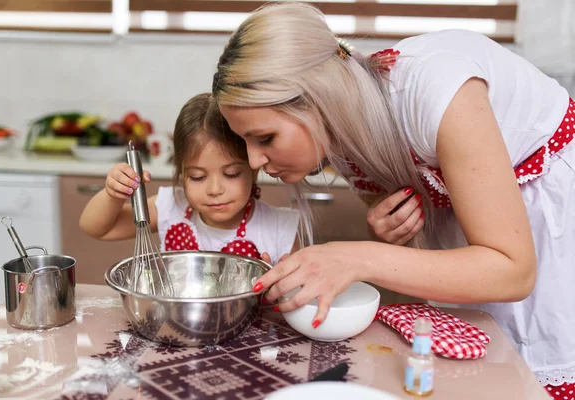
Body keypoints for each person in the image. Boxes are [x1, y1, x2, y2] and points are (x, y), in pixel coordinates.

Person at [210, 2, 575, 396]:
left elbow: (512, 272)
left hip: (550, 232)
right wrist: (392, 228)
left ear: (320, 99)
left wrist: (356, 256)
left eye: (265, 139)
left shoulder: (437, 86)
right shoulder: (343, 133)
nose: (254, 161)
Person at [79, 93, 300, 266]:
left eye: (231, 174)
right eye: (197, 177)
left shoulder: (281, 229)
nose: (214, 189)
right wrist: (113, 194)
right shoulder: (171, 207)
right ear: (181, 173)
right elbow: (97, 228)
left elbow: (299, 296)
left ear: (253, 169)